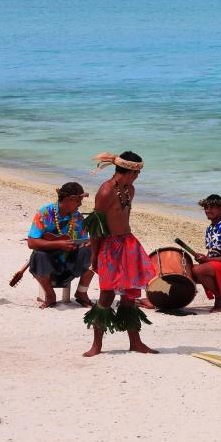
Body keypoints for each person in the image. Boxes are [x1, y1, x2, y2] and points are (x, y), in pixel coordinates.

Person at [82, 151, 157, 357]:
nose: (138, 176)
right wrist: (95, 255)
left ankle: (136, 342)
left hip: (128, 243)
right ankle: (96, 345)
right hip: (110, 246)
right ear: (129, 171)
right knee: (106, 295)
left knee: (130, 295)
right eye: (137, 173)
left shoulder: (130, 189)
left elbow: (125, 217)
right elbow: (96, 227)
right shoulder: (105, 191)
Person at [25, 182, 94, 309]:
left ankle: (82, 292)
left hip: (69, 263)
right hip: (47, 264)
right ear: (68, 199)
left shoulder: (78, 217)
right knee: (39, 255)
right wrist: (58, 244)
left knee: (93, 252)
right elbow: (31, 242)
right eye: (78, 200)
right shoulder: (46, 212)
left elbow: (84, 241)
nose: (80, 204)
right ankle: (50, 295)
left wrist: (89, 243)